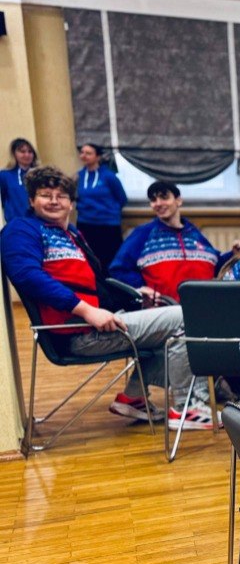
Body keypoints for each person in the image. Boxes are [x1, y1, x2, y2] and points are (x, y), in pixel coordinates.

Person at [1, 166, 213, 429]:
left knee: (167, 325)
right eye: (45, 195)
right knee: (185, 318)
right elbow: (27, 276)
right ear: (32, 200)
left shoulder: (71, 234)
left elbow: (100, 284)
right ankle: (189, 407)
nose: (54, 201)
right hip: (76, 331)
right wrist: (86, 311)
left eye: (61, 196)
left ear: (71, 203)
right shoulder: (21, 229)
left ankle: (134, 397)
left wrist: (134, 297)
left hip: (95, 323)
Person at [109, 180, 222, 303]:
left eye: (164, 197)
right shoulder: (143, 233)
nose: (158, 203)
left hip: (204, 306)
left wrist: (234, 253)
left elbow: (216, 263)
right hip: (165, 308)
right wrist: (143, 287)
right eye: (153, 200)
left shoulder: (194, 233)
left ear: (178, 201)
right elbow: (118, 269)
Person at [75, 143, 128, 266]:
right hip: (85, 224)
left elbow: (122, 198)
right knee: (90, 260)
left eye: (88, 153)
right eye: (82, 152)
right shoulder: (79, 176)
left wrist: (110, 212)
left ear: (98, 157)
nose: (84, 156)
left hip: (108, 225)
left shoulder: (109, 176)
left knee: (110, 260)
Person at [1, 137, 38, 226]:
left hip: (37, 223)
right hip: (15, 224)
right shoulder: (5, 175)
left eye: (30, 152)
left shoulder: (39, 174)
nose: (27, 155)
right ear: (14, 154)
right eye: (22, 151)